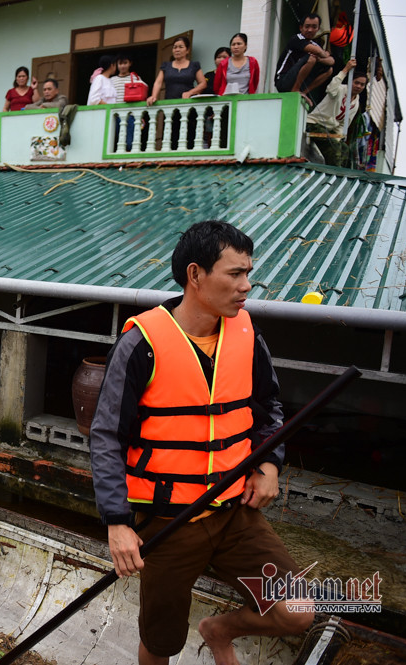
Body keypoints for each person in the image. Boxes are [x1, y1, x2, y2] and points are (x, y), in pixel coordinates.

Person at [90, 220, 313, 665]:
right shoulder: (141, 344)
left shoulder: (246, 334)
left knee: (297, 611)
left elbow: (268, 408)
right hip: (167, 521)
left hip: (234, 511)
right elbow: (107, 436)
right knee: (161, 643)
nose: (246, 286)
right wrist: (117, 522)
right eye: (235, 273)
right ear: (196, 274)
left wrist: (269, 465)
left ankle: (219, 630)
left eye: (248, 273)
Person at [306, 59, 366, 168]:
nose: (359, 86)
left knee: (345, 149)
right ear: (350, 82)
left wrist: (337, 138)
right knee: (334, 147)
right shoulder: (340, 89)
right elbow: (330, 89)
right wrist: (345, 70)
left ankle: (341, 175)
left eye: (362, 84)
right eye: (356, 83)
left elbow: (344, 124)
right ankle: (332, 173)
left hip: (328, 130)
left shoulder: (356, 104)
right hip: (313, 124)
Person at [275, 13, 334, 101]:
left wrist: (319, 59)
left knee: (329, 70)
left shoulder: (315, 45)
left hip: (299, 82)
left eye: (314, 27)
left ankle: (304, 92)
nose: (310, 30)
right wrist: (324, 54)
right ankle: (295, 90)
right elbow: (317, 51)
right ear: (301, 28)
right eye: (307, 26)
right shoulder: (296, 39)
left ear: (318, 29)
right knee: (312, 58)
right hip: (283, 81)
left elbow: (331, 61)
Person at [147, 35, 206, 105]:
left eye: (181, 47)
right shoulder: (166, 66)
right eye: (175, 47)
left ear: (187, 50)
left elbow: (203, 83)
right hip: (170, 103)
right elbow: (158, 83)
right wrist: (153, 96)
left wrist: (190, 92)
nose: (177, 50)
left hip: (188, 103)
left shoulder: (194, 65)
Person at [25, 79, 77, 148]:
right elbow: (27, 107)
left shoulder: (62, 98)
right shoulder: (43, 100)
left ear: (56, 91)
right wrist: (41, 108)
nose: (46, 92)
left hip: (59, 132)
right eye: (44, 90)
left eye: (49, 89)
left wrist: (44, 105)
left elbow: (59, 105)